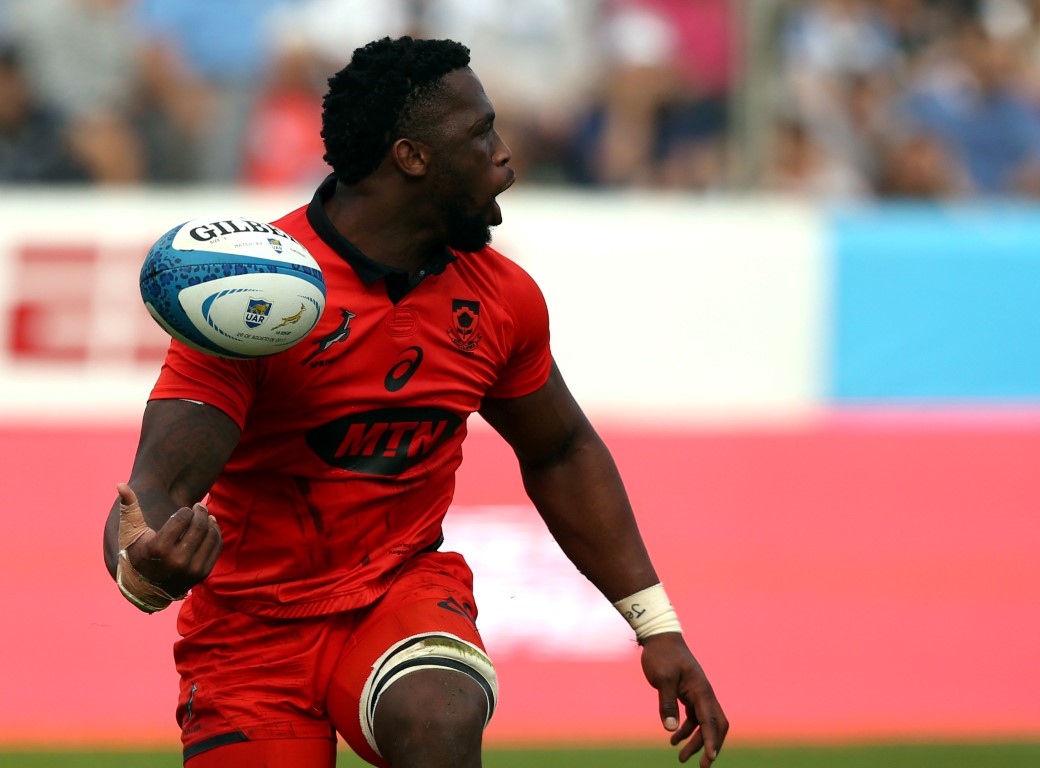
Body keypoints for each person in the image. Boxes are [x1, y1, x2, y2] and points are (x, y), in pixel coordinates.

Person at [102, 36, 728, 768]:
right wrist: (144, 564)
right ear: (412, 157)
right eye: (480, 133)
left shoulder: (502, 299)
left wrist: (655, 626)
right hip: (250, 631)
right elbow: (157, 486)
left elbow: (561, 450)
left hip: (398, 594)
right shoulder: (258, 297)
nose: (505, 156)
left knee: (437, 712)